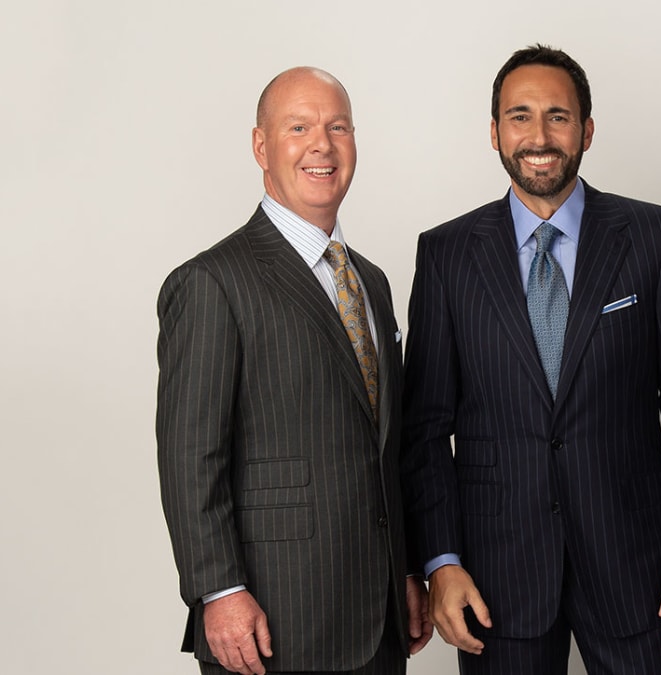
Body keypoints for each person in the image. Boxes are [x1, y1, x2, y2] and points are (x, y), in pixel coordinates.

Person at [400, 45, 661, 675]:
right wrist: (441, 561)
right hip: (495, 576)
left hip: (641, 568)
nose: (539, 136)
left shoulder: (657, 239)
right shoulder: (446, 254)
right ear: (494, 132)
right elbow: (424, 432)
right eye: (519, 116)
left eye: (558, 116)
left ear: (587, 129)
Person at [156, 66, 432, 675]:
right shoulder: (211, 282)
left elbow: (390, 446)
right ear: (261, 146)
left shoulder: (370, 281)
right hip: (273, 619)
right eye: (299, 128)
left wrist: (409, 568)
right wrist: (219, 591)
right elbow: (190, 456)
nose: (322, 146)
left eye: (338, 128)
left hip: (380, 617)